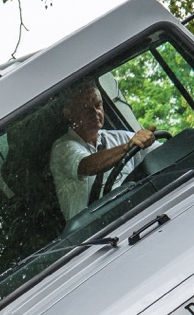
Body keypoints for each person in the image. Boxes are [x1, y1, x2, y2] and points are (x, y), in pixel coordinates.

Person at [49, 80, 156, 221]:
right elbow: (87, 166)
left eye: (98, 105)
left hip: (136, 213)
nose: (95, 112)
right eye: (86, 109)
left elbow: (162, 154)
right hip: (95, 231)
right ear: (69, 114)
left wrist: (147, 139)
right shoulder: (62, 148)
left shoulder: (120, 137)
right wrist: (127, 147)